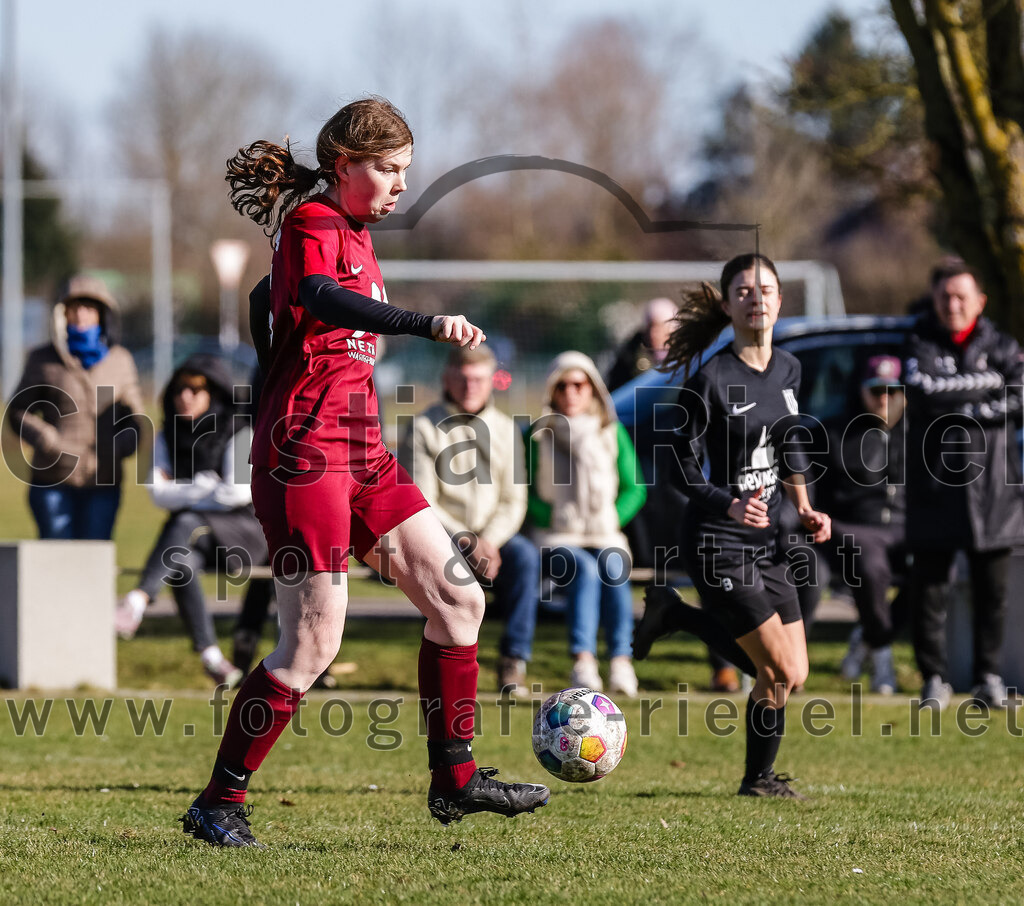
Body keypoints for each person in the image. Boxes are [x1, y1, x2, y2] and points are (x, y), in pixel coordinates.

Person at [179, 98, 549, 848]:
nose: (399, 186)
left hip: (364, 452)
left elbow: (268, 301)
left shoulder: (355, 235)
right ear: (343, 164)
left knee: (457, 601)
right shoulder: (312, 222)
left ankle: (456, 781)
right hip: (306, 456)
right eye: (387, 169)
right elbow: (315, 295)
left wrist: (276, 349)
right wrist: (422, 323)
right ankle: (219, 801)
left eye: (406, 172)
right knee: (313, 643)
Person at [634, 253, 831, 799]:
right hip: (717, 540)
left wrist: (805, 504)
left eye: (765, 288)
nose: (756, 297)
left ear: (780, 299)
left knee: (793, 674)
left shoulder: (789, 368)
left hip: (768, 540)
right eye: (743, 290)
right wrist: (728, 504)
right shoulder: (711, 378)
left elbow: (788, 444)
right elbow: (682, 466)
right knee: (780, 670)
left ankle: (757, 779)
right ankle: (679, 614)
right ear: (727, 304)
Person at [903, 258, 1024, 711]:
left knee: (991, 592)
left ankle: (987, 678)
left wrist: (957, 399)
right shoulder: (918, 341)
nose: (952, 305)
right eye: (944, 297)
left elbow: (1018, 398)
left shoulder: (1004, 344)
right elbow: (923, 391)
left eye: (961, 296)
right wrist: (986, 387)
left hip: (996, 493)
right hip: (935, 487)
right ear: (934, 300)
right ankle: (934, 679)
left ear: (980, 301)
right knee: (929, 589)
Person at [114, 354, 265, 688]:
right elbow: (157, 493)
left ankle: (137, 600)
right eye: (180, 388)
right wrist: (205, 485)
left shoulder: (239, 428)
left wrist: (183, 489)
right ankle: (212, 657)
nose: (186, 396)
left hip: (247, 534)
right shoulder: (167, 435)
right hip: (200, 537)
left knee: (185, 521)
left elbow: (237, 494)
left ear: (214, 391)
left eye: (196, 388)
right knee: (178, 561)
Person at [398, 343, 540, 697]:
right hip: (440, 537)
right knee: (436, 572)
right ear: (447, 378)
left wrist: (489, 540)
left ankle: (513, 662)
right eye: (462, 379)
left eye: (478, 379)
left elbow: (514, 498)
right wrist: (464, 539)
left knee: (525, 558)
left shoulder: (507, 429)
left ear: (493, 380)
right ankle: (442, 672)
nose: (470, 386)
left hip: (494, 539)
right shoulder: (423, 427)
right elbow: (422, 500)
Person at [526, 351, 647, 697]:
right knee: (584, 570)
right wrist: (552, 516)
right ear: (552, 390)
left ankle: (621, 660)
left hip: (605, 533)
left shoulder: (610, 432)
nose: (571, 392)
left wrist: (612, 517)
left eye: (579, 384)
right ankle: (583, 660)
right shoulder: (538, 435)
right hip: (556, 536)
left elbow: (634, 487)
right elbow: (524, 492)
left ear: (593, 388)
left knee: (611, 566)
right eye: (562, 385)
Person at [5, 274, 144, 540]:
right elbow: (17, 411)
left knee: (94, 560)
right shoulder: (43, 359)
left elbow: (135, 417)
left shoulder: (120, 360)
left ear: (103, 314)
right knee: (58, 561)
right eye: (74, 307)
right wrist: (46, 439)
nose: (81, 314)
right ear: (62, 313)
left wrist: (123, 444)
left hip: (104, 480)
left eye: (89, 307)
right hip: (52, 481)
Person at [812, 355, 908, 694]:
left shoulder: (919, 432)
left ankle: (867, 639)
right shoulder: (836, 433)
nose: (884, 398)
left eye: (892, 390)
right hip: (853, 529)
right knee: (870, 564)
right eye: (876, 390)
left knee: (939, 566)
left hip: (905, 529)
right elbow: (817, 499)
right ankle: (882, 658)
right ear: (861, 392)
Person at [605, 297, 678, 392]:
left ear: (672, 328)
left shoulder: (687, 359)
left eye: (658, 327)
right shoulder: (629, 357)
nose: (653, 334)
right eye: (649, 328)